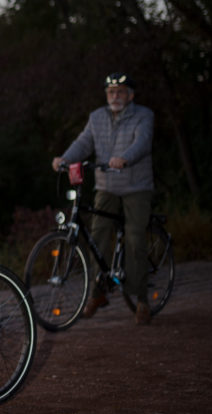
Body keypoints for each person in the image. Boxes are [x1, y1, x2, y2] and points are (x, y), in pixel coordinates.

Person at [51, 72, 154, 325]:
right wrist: (64, 158)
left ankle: (141, 299)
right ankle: (98, 293)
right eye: (111, 92)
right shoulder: (97, 117)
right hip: (106, 186)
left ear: (130, 95)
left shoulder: (144, 115)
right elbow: (84, 142)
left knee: (135, 237)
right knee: (97, 236)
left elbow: (143, 142)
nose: (115, 96)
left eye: (120, 91)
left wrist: (125, 158)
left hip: (135, 186)